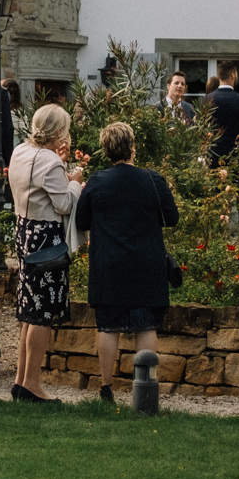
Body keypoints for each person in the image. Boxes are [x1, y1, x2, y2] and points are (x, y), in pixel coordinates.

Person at [76, 119, 178, 405]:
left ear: (106, 150)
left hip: (109, 264)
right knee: (145, 326)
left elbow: (82, 221)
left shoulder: (97, 181)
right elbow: (172, 218)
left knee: (108, 327)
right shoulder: (152, 180)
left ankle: (106, 387)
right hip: (146, 262)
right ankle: (146, 387)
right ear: (132, 147)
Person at [8, 103, 84, 404]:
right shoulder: (50, 161)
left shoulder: (20, 151)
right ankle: (32, 383)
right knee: (42, 313)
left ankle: (21, 380)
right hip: (45, 238)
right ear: (59, 130)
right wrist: (75, 183)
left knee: (29, 310)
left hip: (24, 229)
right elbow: (63, 204)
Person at [208, 63, 239, 163]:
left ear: (218, 76)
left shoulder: (206, 99)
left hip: (212, 155)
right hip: (236, 156)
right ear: (233, 75)